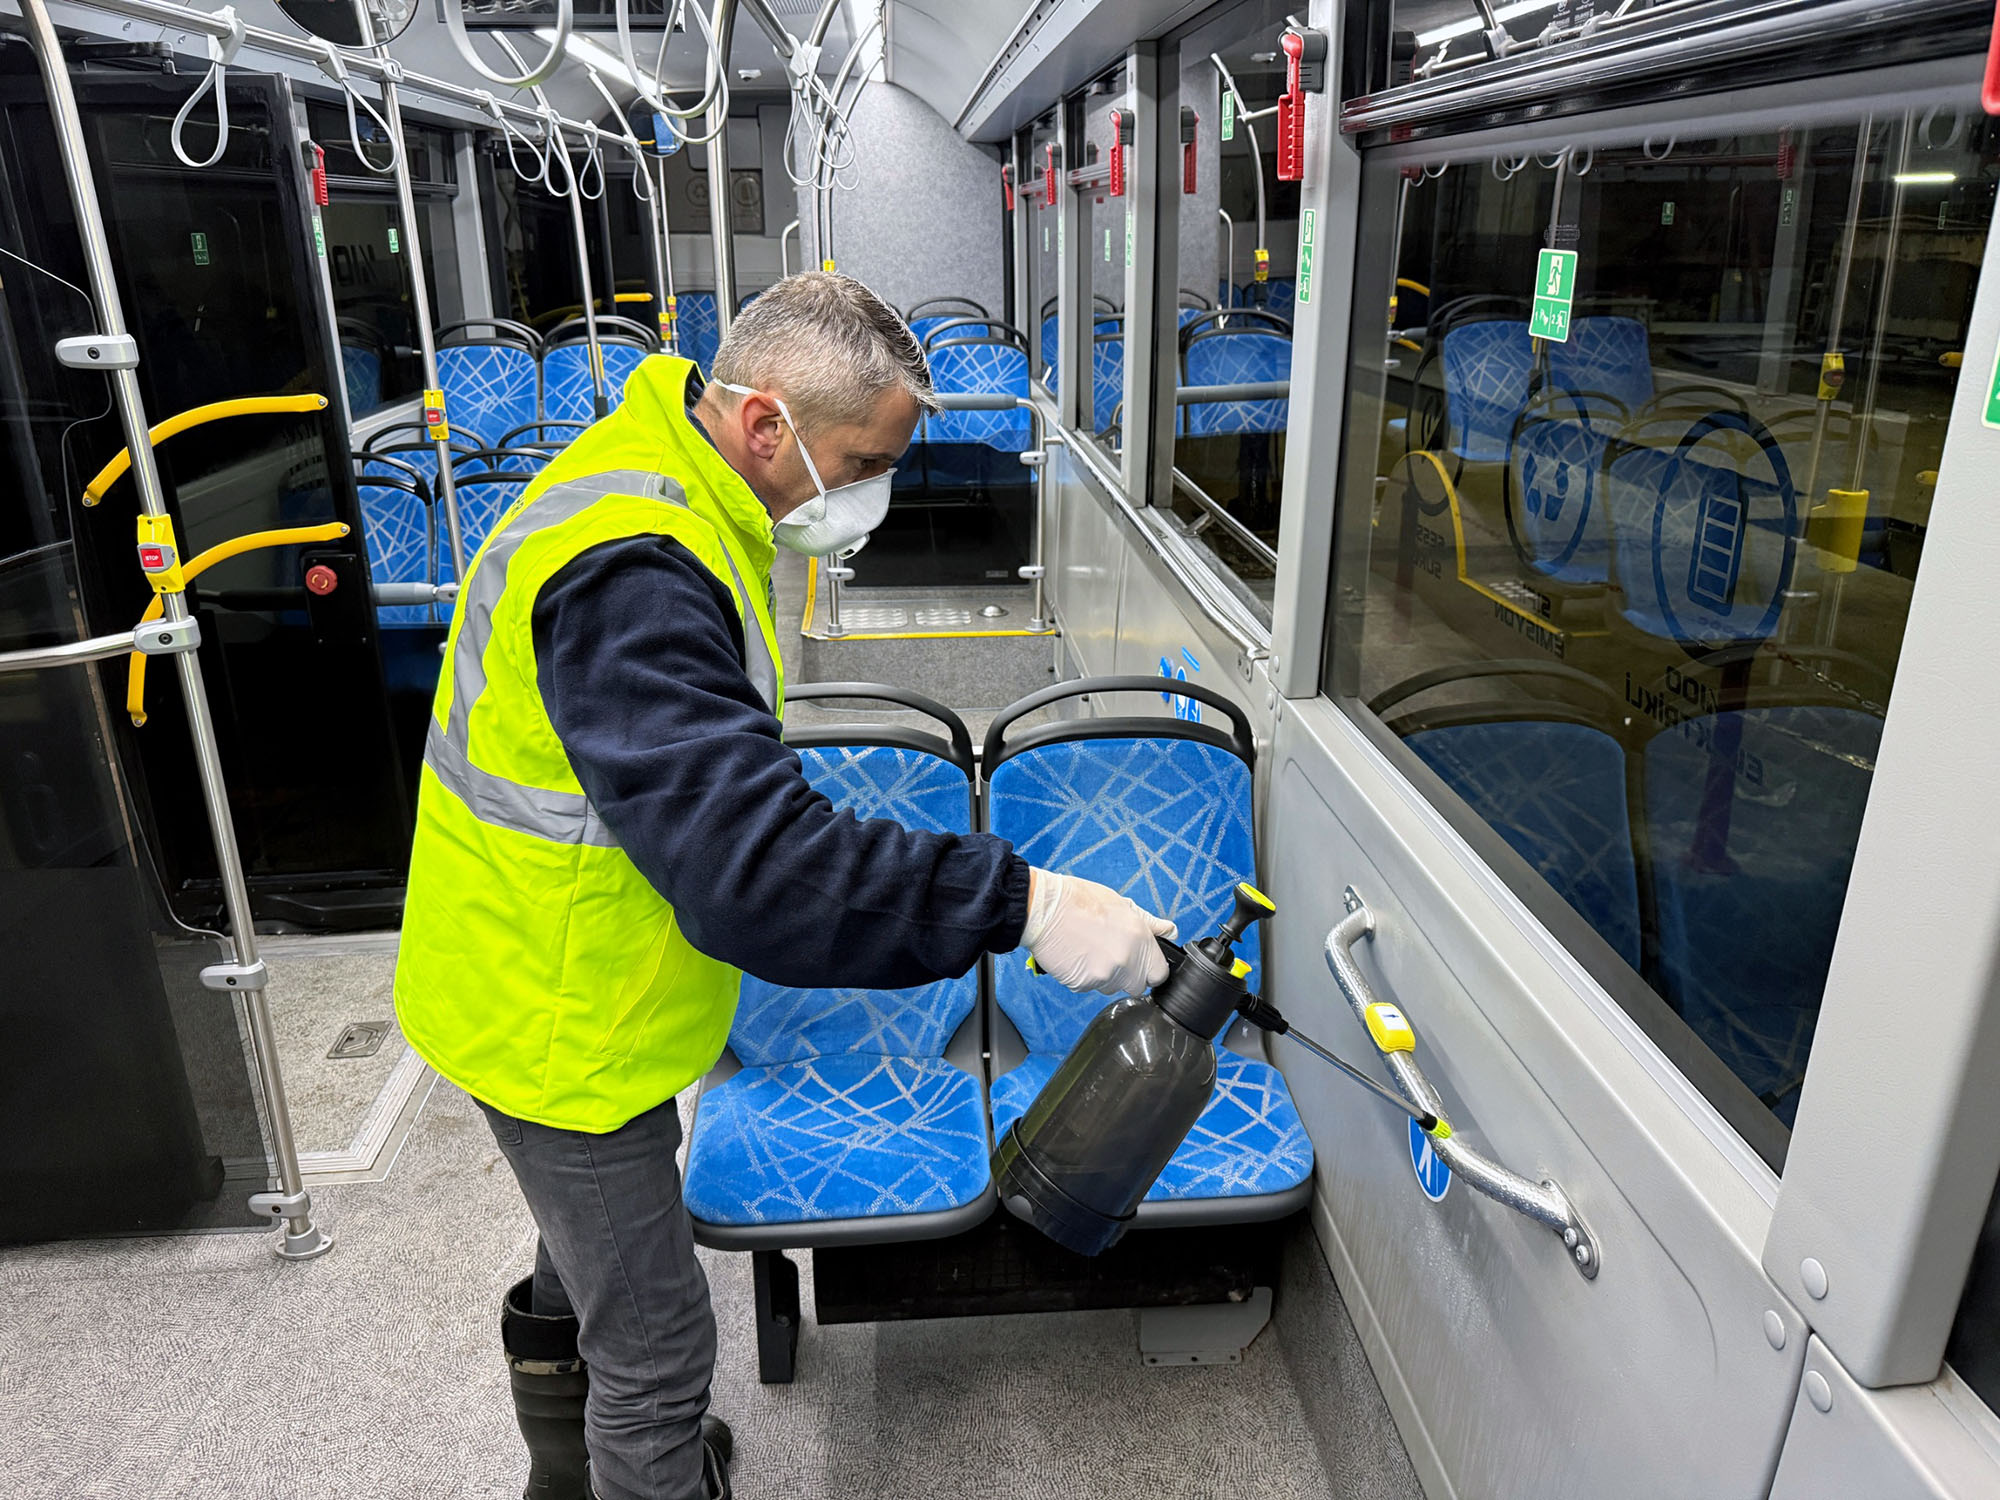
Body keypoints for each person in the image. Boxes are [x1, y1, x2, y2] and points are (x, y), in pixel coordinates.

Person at [393, 272, 1177, 1500]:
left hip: (558, 968)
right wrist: (1024, 903)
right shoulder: (633, 568)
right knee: (656, 1350)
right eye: (863, 463)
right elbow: (755, 873)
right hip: (552, 1013)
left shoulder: (668, 469)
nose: (871, 492)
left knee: (584, 1259)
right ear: (765, 423)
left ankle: (563, 1469)